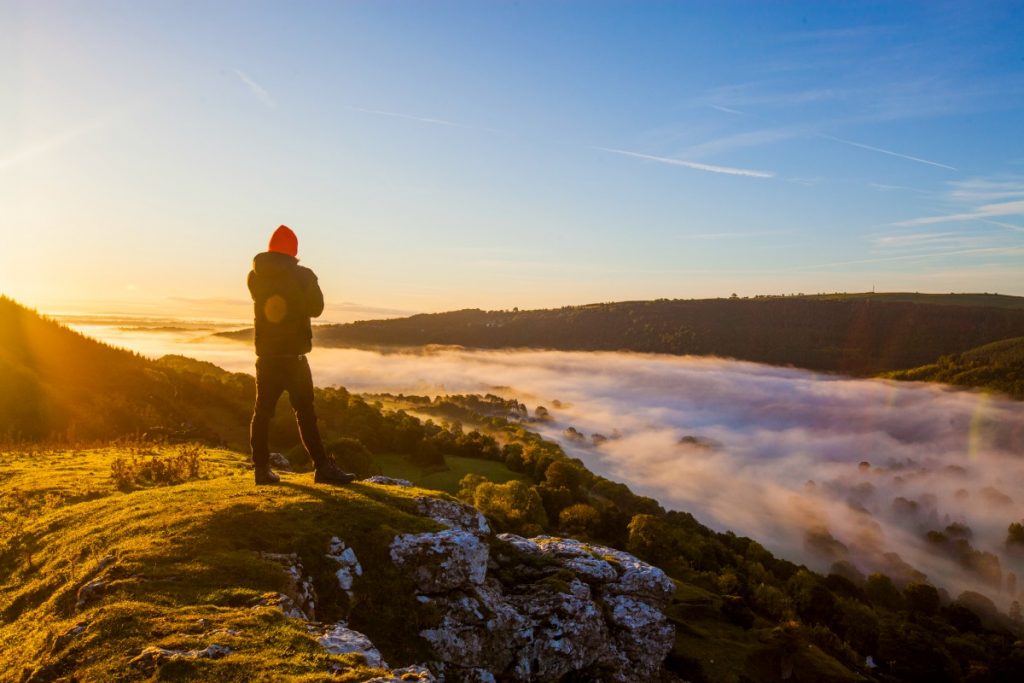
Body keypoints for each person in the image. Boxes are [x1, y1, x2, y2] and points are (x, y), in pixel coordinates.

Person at [247, 225, 355, 486]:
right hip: (294, 357)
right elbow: (316, 308)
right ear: (294, 250)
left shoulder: (254, 275)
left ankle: (261, 470)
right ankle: (322, 468)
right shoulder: (304, 275)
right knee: (305, 413)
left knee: (262, 413)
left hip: (267, 357)